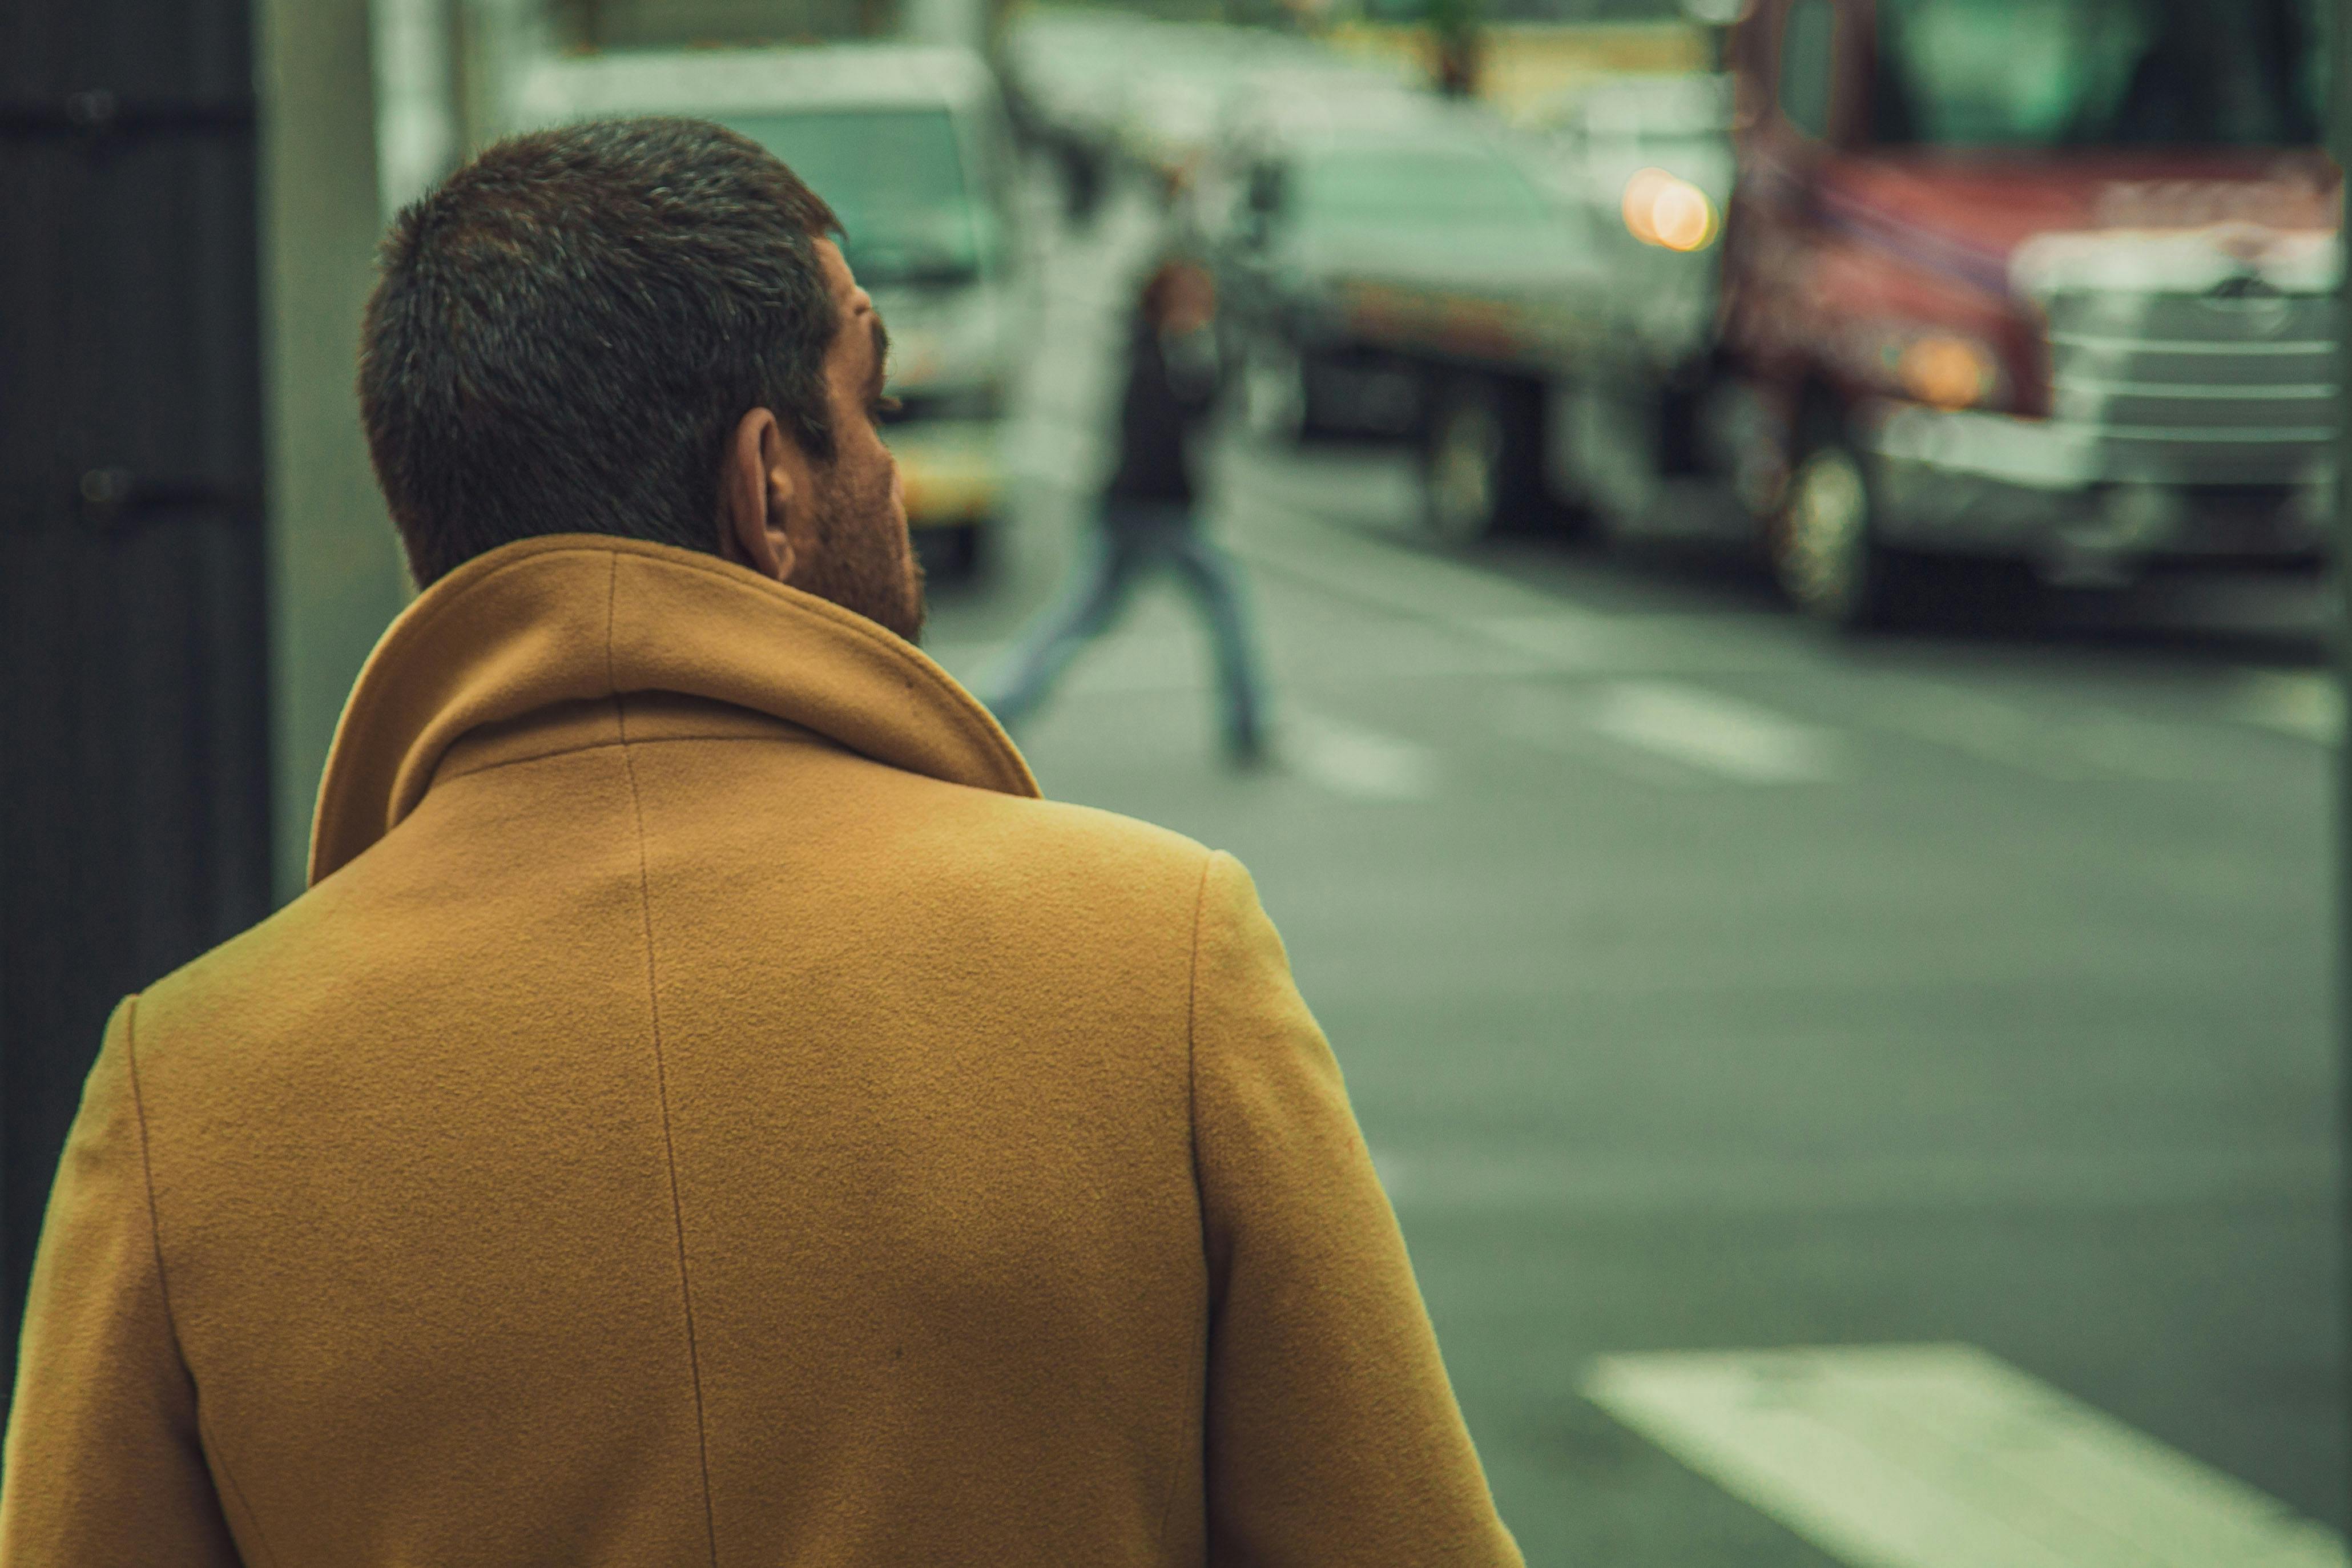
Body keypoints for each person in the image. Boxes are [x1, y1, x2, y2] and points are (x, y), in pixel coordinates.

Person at [0, 119, 1520, 1566]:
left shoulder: (182, 1098)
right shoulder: (1159, 957)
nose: (896, 475)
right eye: (874, 398)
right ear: (771, 487)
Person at [982, 253, 1270, 764]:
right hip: (1152, 515)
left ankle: (1003, 704)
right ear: (1165, 304)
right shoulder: (1151, 359)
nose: (1200, 311)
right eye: (1190, 301)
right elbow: (1164, 436)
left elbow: (1202, 411)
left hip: (1138, 513)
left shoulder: (1163, 353)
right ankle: (1248, 727)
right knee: (1222, 603)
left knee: (1079, 618)